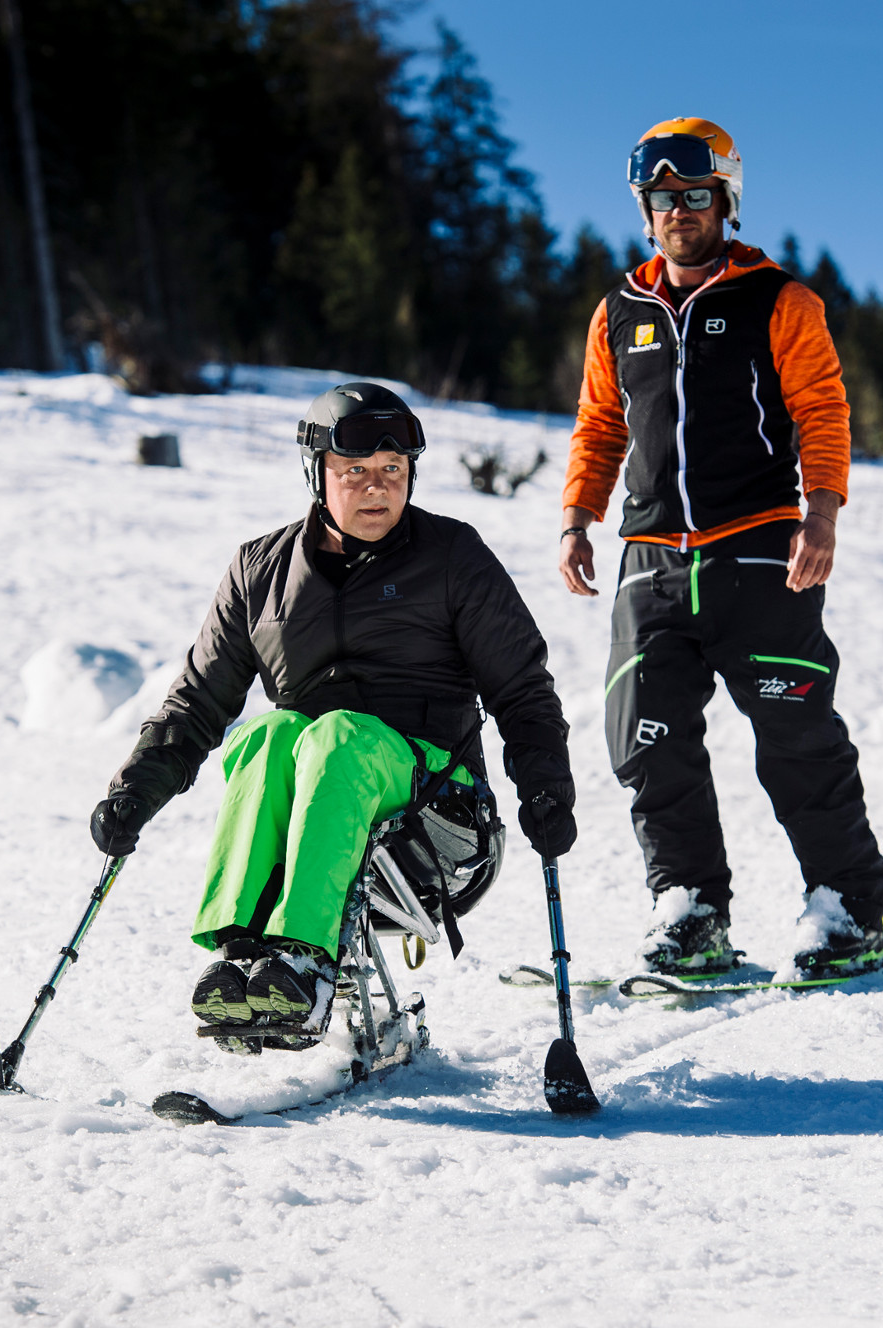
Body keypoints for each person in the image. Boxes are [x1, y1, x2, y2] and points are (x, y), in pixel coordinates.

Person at [90, 382, 576, 1050]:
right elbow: (200, 698)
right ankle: (245, 958)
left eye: (392, 473)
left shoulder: (453, 558)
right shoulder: (259, 571)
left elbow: (521, 686)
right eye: (356, 474)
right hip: (319, 789)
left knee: (337, 735)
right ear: (317, 474)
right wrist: (137, 787)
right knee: (268, 735)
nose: (376, 490)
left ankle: (306, 963)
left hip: (437, 812)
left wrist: (546, 781)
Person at [557, 116, 883, 979]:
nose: (679, 211)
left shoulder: (781, 301)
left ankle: (852, 914)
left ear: (725, 199)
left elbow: (822, 410)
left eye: (695, 195)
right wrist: (575, 519)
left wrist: (820, 515)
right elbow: (600, 425)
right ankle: (691, 910)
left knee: (797, 736)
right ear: (645, 208)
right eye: (662, 198)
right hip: (652, 562)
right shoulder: (619, 314)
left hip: (760, 555)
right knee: (645, 738)